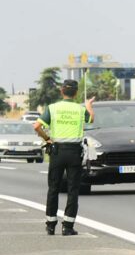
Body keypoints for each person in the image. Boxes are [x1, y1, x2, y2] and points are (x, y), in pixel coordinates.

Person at [34, 80, 95, 236]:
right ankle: (67, 226)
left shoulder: (52, 108)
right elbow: (91, 119)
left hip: (57, 151)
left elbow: (36, 126)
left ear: (62, 91)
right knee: (73, 189)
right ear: (76, 93)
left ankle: (50, 225)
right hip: (74, 152)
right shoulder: (80, 109)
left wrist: (47, 139)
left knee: (53, 188)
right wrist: (88, 105)